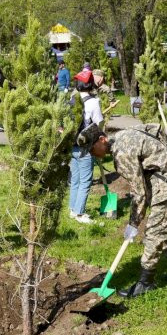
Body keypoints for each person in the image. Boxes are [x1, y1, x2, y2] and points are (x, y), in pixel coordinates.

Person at [78, 122, 167, 297]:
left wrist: (133, 223)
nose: (94, 155)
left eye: (93, 149)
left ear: (102, 139)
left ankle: (146, 283)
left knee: (153, 233)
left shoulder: (122, 153)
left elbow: (139, 193)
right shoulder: (122, 135)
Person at [69, 70, 104, 224]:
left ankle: (73, 209)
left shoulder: (71, 99)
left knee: (75, 179)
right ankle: (80, 213)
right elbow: (99, 123)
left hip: (71, 146)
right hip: (85, 148)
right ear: (90, 83)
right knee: (85, 181)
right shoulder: (93, 102)